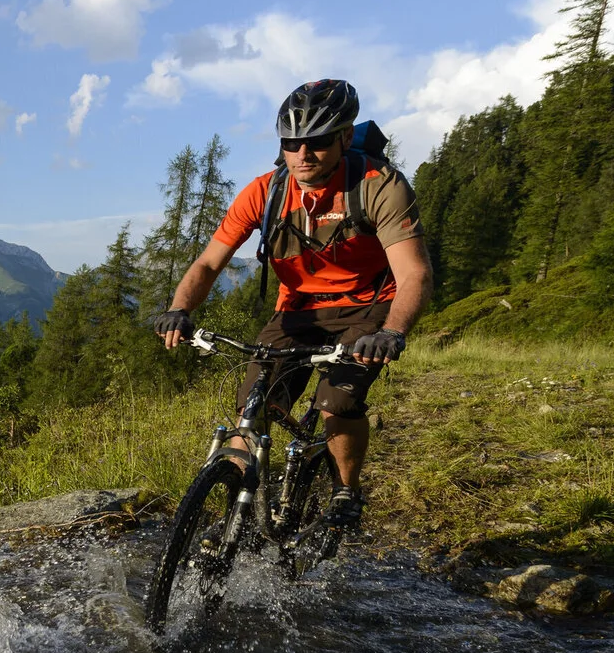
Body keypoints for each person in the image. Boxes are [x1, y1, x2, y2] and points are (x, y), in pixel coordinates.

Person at [151, 79, 430, 530]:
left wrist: (392, 332)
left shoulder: (379, 186)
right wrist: (180, 309)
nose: (303, 153)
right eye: (291, 143)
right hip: (298, 309)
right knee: (251, 409)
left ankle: (345, 490)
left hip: (369, 307)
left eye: (317, 141)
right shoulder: (266, 192)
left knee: (337, 402)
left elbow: (414, 272)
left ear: (343, 136)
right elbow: (208, 263)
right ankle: (232, 524)